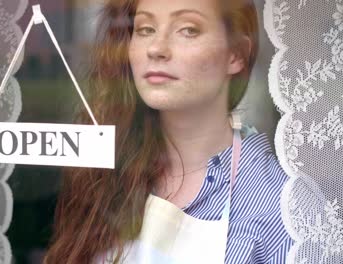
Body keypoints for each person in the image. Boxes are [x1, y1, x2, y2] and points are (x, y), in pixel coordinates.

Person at [44, 0, 293, 263]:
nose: (156, 48)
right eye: (145, 29)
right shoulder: (107, 174)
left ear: (236, 54)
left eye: (188, 29)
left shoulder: (280, 210)